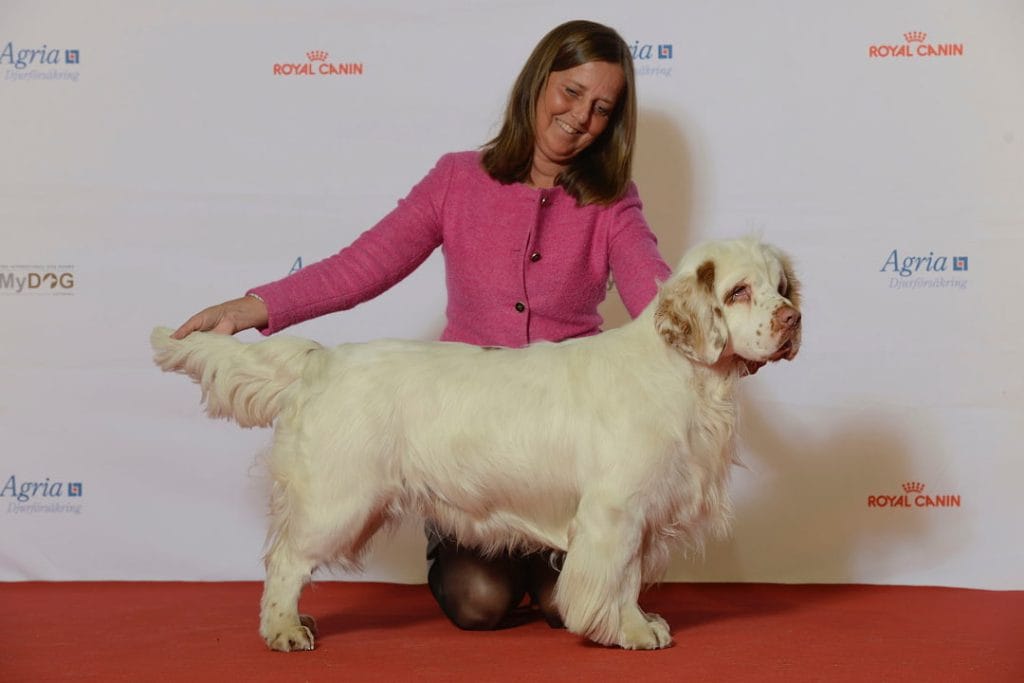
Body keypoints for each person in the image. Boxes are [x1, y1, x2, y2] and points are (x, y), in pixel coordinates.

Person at [172, 19, 672, 632]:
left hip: (563, 453)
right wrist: (255, 306)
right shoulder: (458, 178)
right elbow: (364, 265)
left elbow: (656, 291)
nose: (580, 117)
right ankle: (318, 588)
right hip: (458, 438)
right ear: (539, 83)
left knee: (565, 605)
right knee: (479, 602)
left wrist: (720, 321)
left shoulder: (612, 199)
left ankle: (553, 566)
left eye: (602, 108)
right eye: (570, 92)